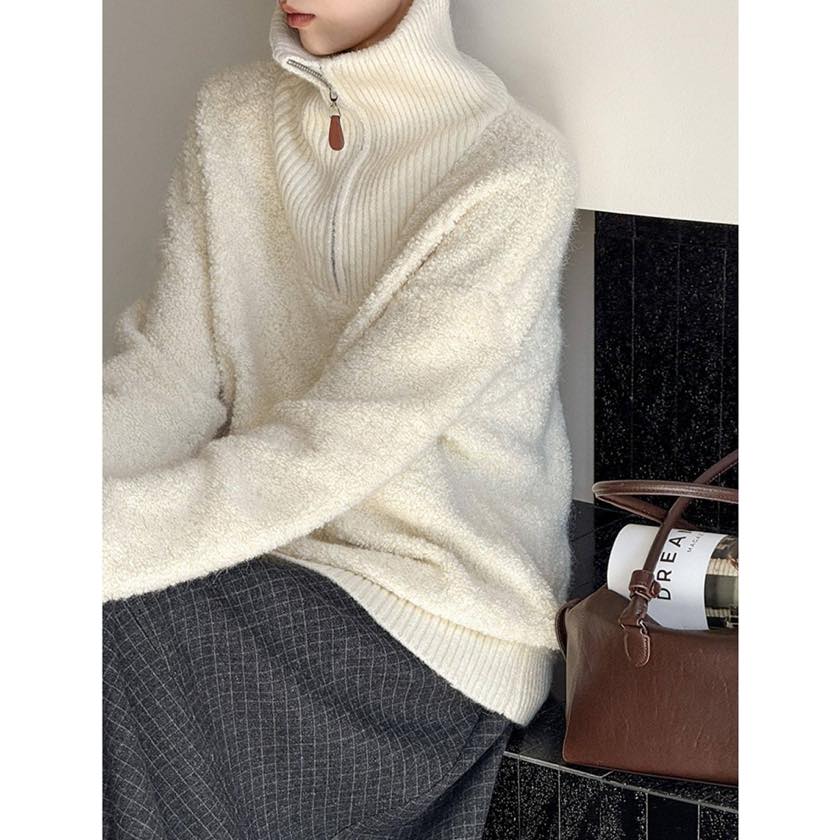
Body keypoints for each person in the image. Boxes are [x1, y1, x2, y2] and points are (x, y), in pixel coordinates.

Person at [102, 1, 579, 837]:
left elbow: (336, 446)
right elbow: (169, 381)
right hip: (261, 560)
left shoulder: (510, 169)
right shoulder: (231, 117)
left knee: (106, 641)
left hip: (433, 610)